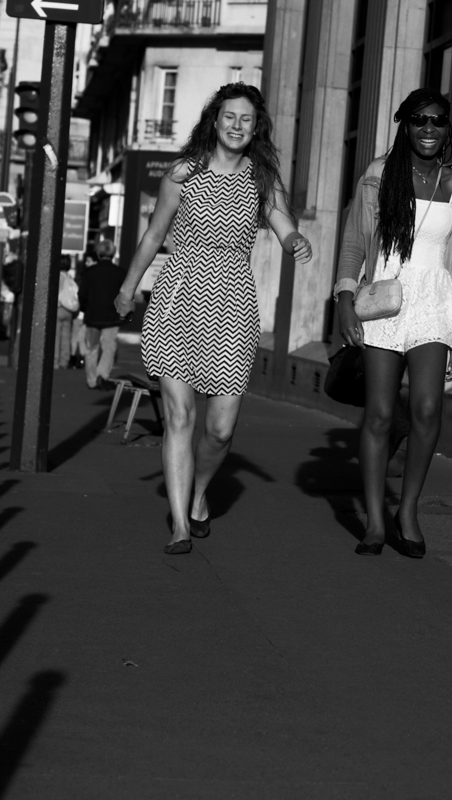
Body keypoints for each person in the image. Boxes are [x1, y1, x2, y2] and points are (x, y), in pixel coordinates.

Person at [114, 83, 312, 555]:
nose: (237, 125)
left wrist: (293, 242)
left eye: (246, 119)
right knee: (180, 417)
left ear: (256, 126)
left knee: (220, 429)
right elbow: (153, 235)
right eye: (229, 116)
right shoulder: (183, 174)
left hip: (233, 306)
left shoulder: (263, 178)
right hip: (178, 297)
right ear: (215, 119)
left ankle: (200, 494)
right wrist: (127, 287)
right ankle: (180, 523)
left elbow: (283, 224)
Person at [335, 88, 452, 558]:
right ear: (405, 125)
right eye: (419, 121)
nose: (428, 129)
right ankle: (375, 521)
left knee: (428, 409)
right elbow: (355, 244)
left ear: (448, 127)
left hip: (434, 304)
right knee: (378, 413)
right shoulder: (378, 177)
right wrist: (344, 300)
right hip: (385, 301)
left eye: (437, 121)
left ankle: (407, 510)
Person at [386, 242, 452, 477]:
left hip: (393, 317)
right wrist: (447, 311)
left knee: (388, 387)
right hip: (434, 327)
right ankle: (408, 449)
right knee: (423, 396)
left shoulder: (399, 222)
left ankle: (400, 437)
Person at [79, 239, 126, 389]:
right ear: (113, 254)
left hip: (92, 316)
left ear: (98, 254)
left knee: (91, 348)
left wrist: (85, 308)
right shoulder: (120, 273)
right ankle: (102, 375)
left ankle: (91, 380)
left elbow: (82, 294)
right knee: (109, 347)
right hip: (112, 317)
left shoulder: (89, 273)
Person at [55, 260, 79, 369]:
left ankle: (55, 361)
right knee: (66, 336)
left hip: (59, 308)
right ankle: (64, 361)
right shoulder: (70, 279)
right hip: (69, 311)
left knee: (56, 337)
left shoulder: (58, 277)